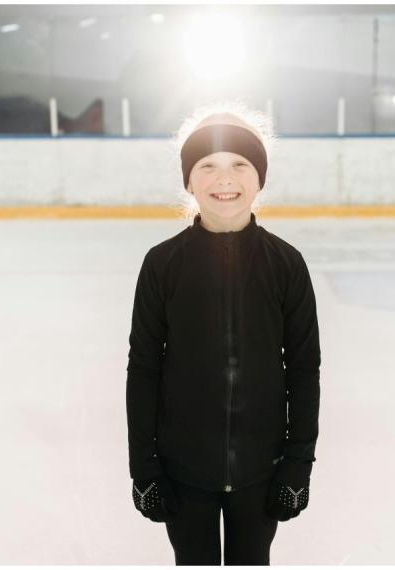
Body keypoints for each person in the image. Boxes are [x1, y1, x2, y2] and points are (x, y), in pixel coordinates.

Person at [125, 101, 321, 566]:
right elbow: (144, 369)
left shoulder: (286, 265)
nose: (224, 179)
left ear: (260, 177)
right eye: (207, 166)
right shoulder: (162, 265)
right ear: (189, 180)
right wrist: (144, 465)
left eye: (240, 164)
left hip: (261, 470)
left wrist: (298, 464)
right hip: (182, 470)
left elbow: (304, 369)